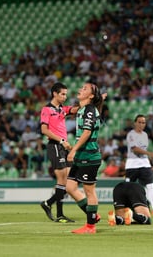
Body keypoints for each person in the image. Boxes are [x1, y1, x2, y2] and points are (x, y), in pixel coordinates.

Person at [66, 82, 104, 234]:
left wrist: (73, 150)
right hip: (81, 155)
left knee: (89, 192)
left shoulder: (89, 110)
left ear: (91, 96)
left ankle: (90, 227)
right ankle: (92, 214)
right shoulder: (83, 109)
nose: (81, 89)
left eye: (85, 89)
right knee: (70, 187)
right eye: (81, 87)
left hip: (89, 156)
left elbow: (87, 133)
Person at [40, 82, 76, 223]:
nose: (65, 96)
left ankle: (54, 208)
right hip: (55, 145)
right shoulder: (47, 109)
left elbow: (76, 109)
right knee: (62, 180)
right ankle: (50, 205)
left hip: (63, 147)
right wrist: (62, 141)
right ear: (54, 93)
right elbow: (44, 130)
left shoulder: (63, 109)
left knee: (66, 182)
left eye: (66, 94)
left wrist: (93, 101)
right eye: (62, 94)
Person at [125, 114, 153, 215]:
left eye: (143, 122)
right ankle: (126, 208)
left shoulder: (145, 135)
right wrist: (150, 154)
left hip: (145, 164)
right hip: (132, 165)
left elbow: (142, 149)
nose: (141, 124)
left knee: (150, 186)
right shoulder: (131, 134)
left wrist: (148, 155)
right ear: (135, 123)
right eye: (139, 122)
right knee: (128, 188)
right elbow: (135, 149)